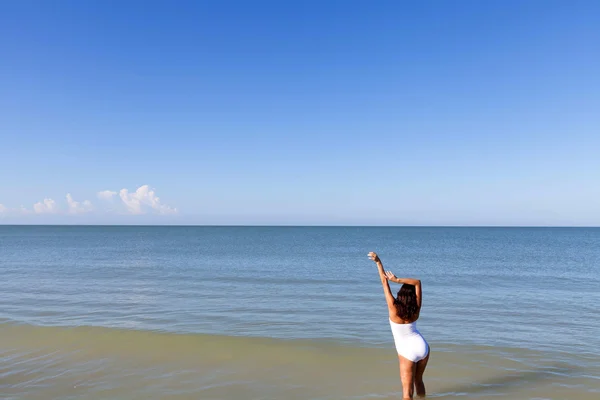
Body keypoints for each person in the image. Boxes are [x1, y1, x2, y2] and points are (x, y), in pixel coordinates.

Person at [368, 251, 430, 399]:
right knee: (418, 381)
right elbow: (417, 282)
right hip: (422, 347)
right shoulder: (416, 308)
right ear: (412, 298)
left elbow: (384, 282)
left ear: (400, 295)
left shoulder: (393, 308)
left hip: (407, 351)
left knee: (407, 394)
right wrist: (397, 280)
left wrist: (378, 262)